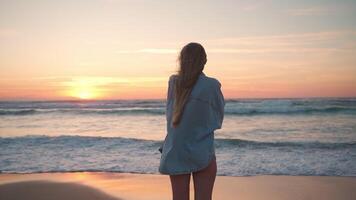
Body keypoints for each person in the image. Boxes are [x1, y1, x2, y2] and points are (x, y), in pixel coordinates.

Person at [158, 42, 225, 200]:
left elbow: (170, 114)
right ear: (204, 61)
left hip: (176, 149)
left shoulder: (174, 82)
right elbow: (218, 118)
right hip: (202, 148)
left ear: (181, 60)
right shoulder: (212, 85)